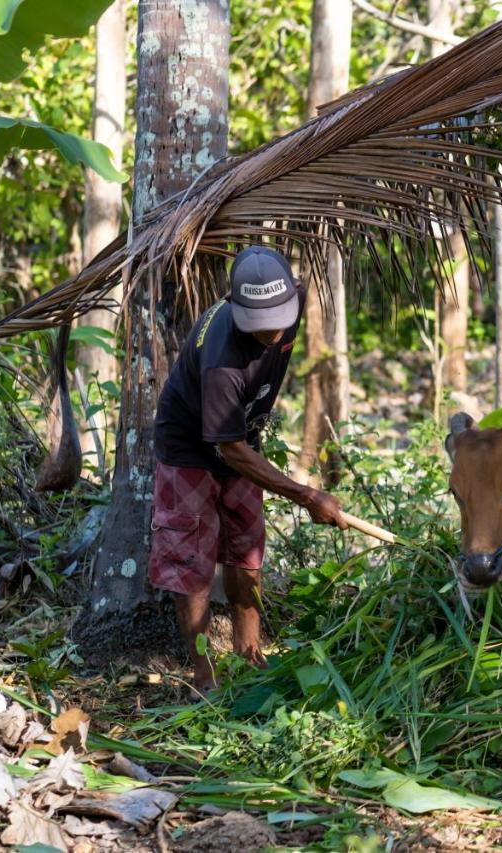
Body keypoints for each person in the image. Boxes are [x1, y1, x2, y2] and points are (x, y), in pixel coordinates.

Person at [148, 245, 347, 694]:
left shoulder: (289, 309)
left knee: (247, 552)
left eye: (279, 318)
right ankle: (205, 677)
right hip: (192, 449)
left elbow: (240, 445)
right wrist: (307, 495)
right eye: (260, 324)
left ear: (292, 297)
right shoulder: (222, 360)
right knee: (193, 562)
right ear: (237, 308)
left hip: (241, 435)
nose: (273, 331)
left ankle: (249, 657)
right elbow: (230, 451)